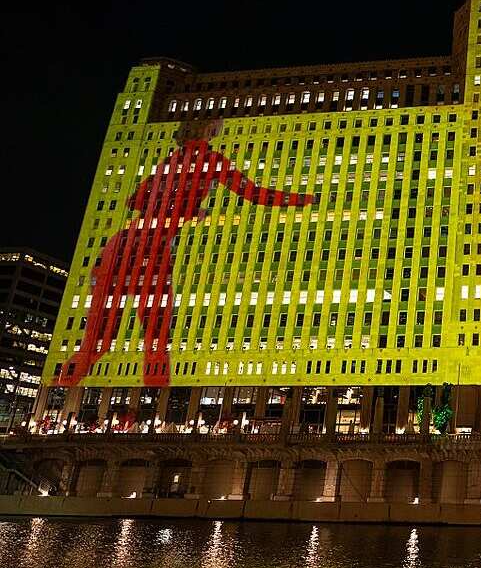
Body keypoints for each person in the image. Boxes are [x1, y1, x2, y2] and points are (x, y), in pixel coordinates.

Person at [58, 120, 315, 387]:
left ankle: (64, 381)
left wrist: (184, 209)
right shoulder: (211, 160)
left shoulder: (168, 162)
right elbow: (257, 195)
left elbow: (134, 201)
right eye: (216, 126)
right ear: (209, 130)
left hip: (118, 248)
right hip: (153, 251)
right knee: (156, 342)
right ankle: (155, 392)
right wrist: (306, 199)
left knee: (96, 343)